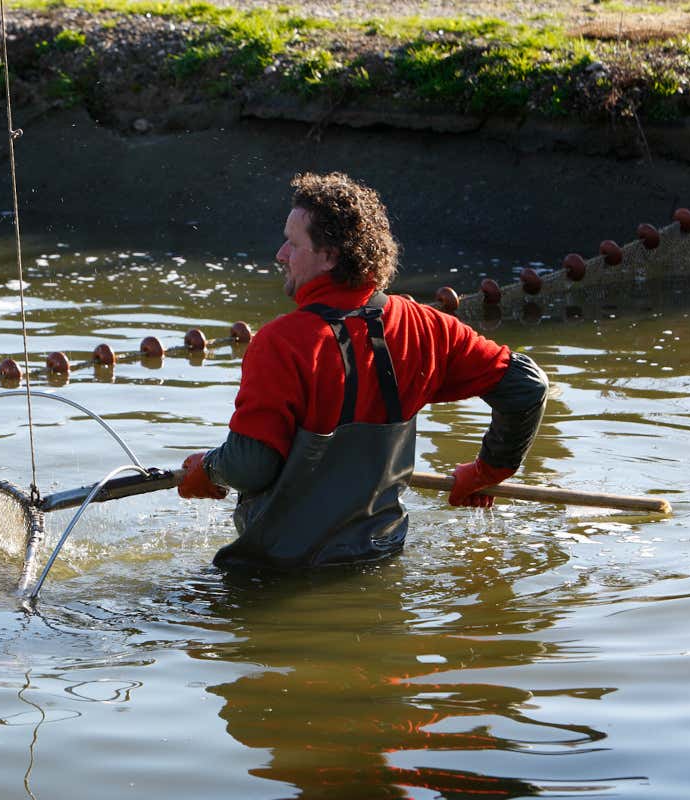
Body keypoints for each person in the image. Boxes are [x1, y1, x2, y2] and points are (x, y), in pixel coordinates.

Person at [177, 172, 548, 569]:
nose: (281, 254)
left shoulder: (280, 342)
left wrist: (210, 468)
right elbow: (526, 386)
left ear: (331, 255)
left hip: (277, 575)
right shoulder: (426, 326)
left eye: (293, 243)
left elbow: (250, 466)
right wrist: (487, 471)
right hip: (379, 561)